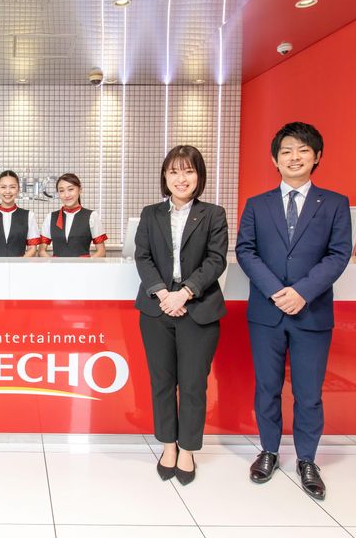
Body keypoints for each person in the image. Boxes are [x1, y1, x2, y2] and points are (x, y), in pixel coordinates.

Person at [236, 122, 351, 500]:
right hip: (266, 313)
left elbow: (338, 254)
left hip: (311, 312)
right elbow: (245, 251)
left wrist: (302, 292)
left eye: (302, 150)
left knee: (309, 392)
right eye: (286, 151)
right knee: (267, 387)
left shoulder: (334, 203)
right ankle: (268, 451)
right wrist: (275, 291)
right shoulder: (257, 204)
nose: (294, 157)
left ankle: (307, 459)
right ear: (275, 159)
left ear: (317, 157)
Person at [134, 145, 228, 486]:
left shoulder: (213, 214)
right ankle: (168, 446)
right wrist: (163, 293)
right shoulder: (150, 214)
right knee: (162, 382)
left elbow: (216, 260)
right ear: (165, 176)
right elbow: (143, 257)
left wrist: (185, 292)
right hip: (157, 308)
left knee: (192, 384)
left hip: (198, 308)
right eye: (174, 171)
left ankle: (187, 449)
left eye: (188, 171)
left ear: (199, 175)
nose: (181, 178)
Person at [38, 173, 107, 258]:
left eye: (70, 189)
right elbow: (41, 250)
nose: (66, 195)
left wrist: (87, 264)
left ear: (80, 189)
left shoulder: (92, 216)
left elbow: (101, 252)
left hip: (83, 266)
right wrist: (52, 263)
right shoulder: (50, 217)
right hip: (56, 266)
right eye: (61, 191)